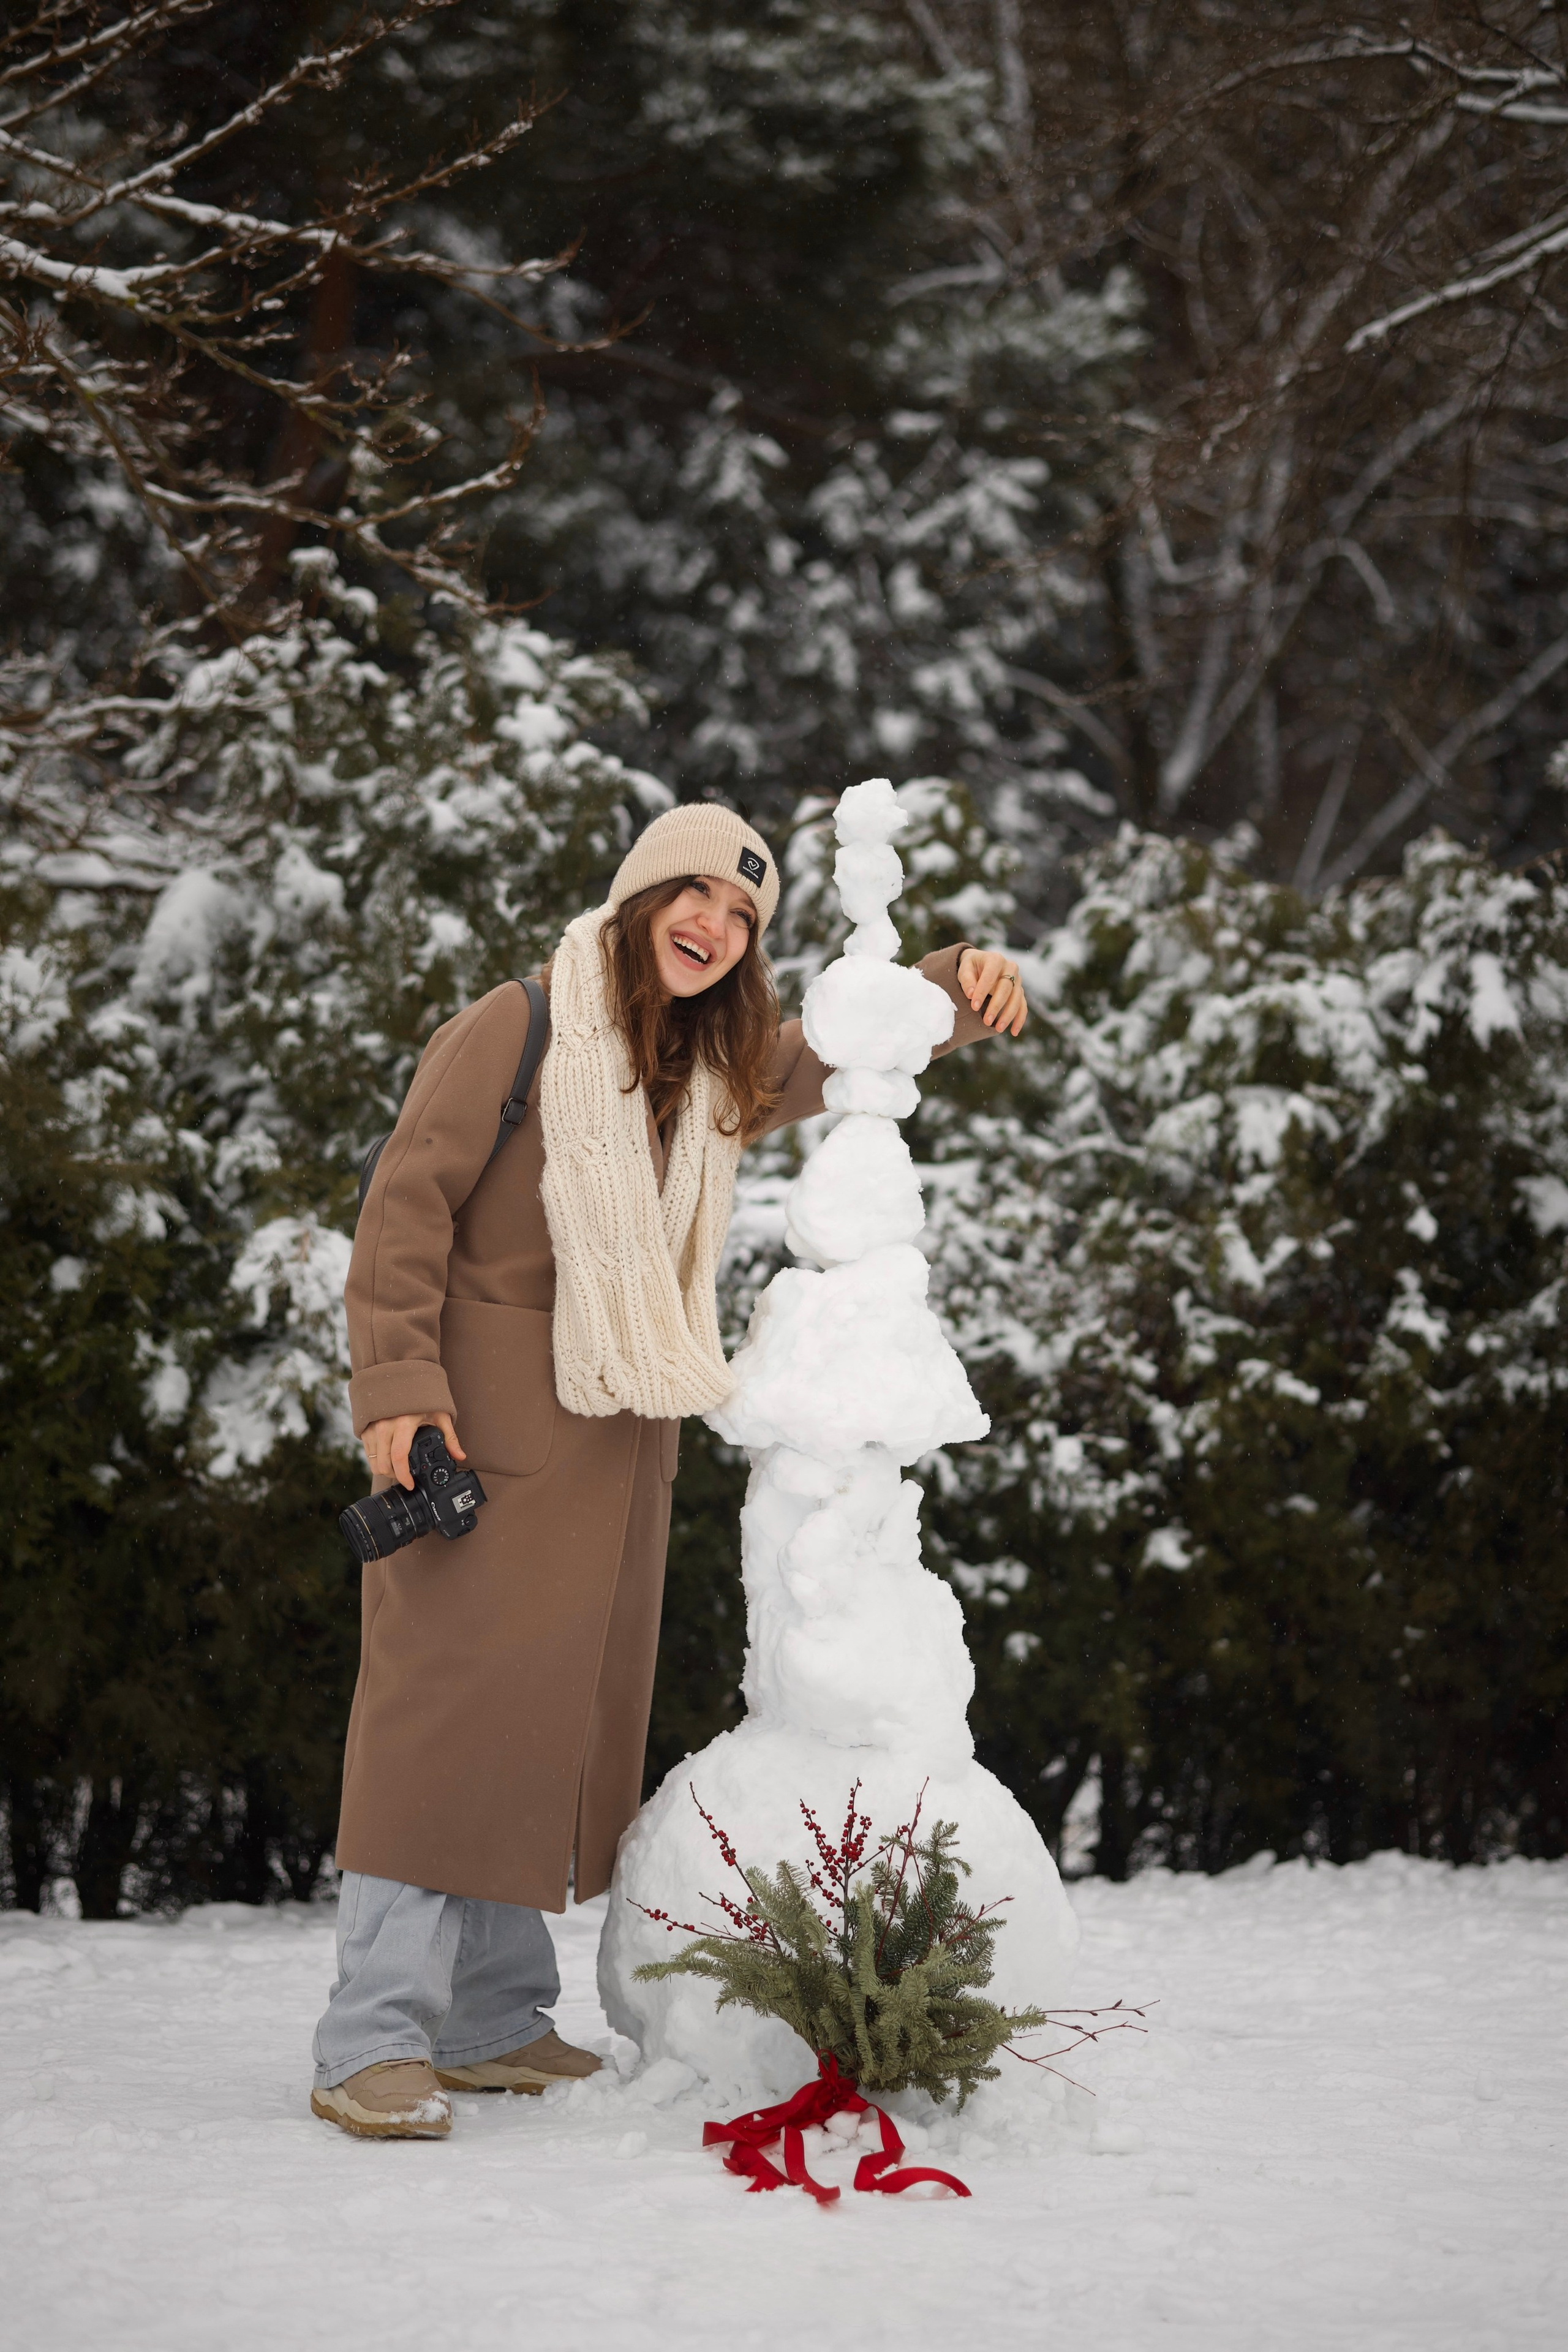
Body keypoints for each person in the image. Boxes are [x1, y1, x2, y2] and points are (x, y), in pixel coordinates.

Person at [311, 802, 1029, 2139]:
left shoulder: (706, 1068)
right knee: (441, 1716)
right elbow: (404, 1203)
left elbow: (818, 1063)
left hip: (616, 1436)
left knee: (543, 1720)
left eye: (742, 912)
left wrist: (947, 991)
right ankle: (372, 2038)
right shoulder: (516, 1026)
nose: (711, 923)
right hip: (475, 1424)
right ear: (640, 897)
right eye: (690, 893)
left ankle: (488, 2017)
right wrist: (398, 1389)